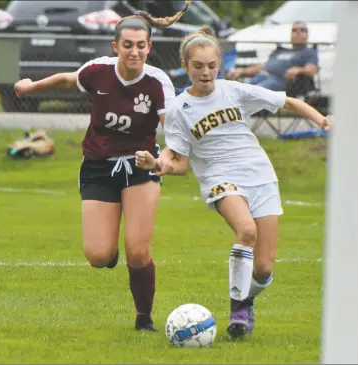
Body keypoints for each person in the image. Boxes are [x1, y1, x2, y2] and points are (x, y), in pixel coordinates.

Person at [135, 27, 331, 339]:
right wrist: (157, 164)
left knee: (264, 268)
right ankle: (237, 309)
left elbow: (288, 102)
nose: (206, 72)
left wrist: (321, 120)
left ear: (219, 65)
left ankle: (247, 299)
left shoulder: (234, 90)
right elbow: (179, 162)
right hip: (219, 178)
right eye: (198, 66)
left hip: (261, 175)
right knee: (247, 231)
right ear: (186, 67)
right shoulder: (178, 110)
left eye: (212, 65)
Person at [13, 2, 192, 332]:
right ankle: (107, 253)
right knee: (98, 256)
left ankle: (144, 319)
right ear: (116, 47)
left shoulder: (158, 83)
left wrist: (158, 161)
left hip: (141, 168)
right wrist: (30, 87)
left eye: (141, 45)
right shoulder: (98, 70)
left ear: (149, 47)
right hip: (97, 166)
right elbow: (69, 79)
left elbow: (175, 140)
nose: (134, 52)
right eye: (127, 45)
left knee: (138, 252)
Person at [227, 21, 318, 92]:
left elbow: (311, 70)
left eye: (302, 30)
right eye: (294, 30)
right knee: (240, 90)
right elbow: (264, 66)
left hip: (281, 82)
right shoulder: (281, 51)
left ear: (307, 35)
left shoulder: (309, 52)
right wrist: (242, 72)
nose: (298, 32)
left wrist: (299, 69)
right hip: (262, 76)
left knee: (254, 92)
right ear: (290, 34)